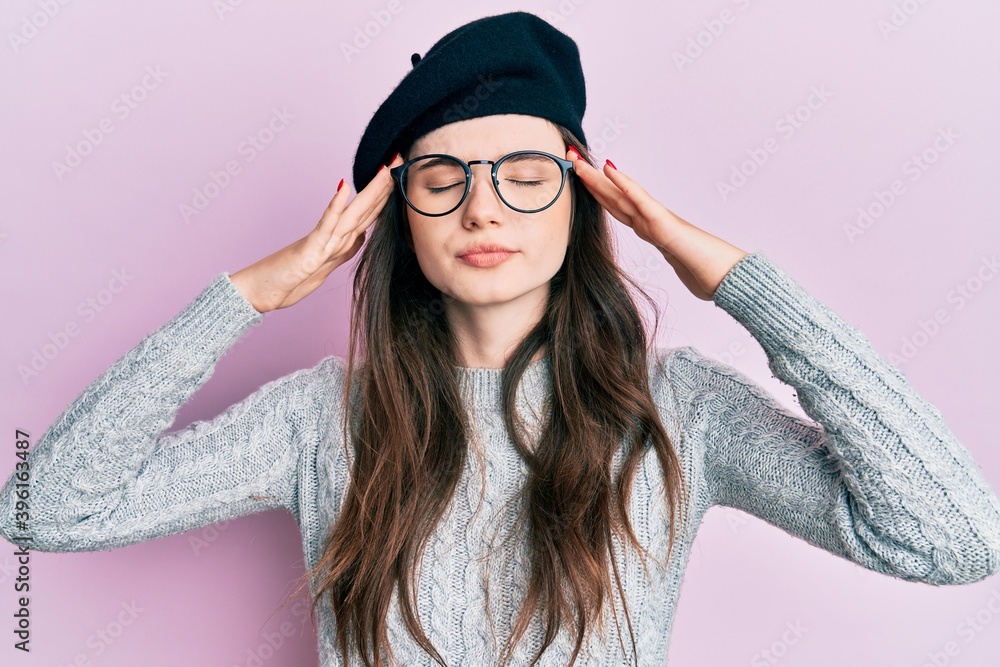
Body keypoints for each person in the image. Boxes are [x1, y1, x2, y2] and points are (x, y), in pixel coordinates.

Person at [3, 10, 1000, 667]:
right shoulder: (321, 417)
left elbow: (951, 539)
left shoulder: (679, 413)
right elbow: (46, 507)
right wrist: (249, 295)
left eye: (523, 171)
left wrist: (735, 281)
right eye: (443, 179)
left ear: (580, 199)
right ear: (400, 221)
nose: (484, 209)